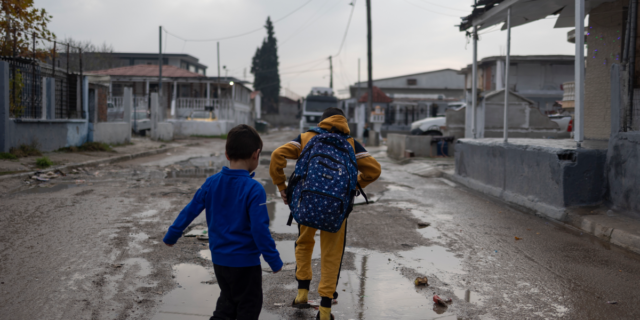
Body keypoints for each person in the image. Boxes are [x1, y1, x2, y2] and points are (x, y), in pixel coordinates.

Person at [269, 108, 381, 320]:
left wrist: (282, 186)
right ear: (344, 122)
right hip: (336, 208)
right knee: (332, 253)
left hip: (308, 200)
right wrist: (352, 187)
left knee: (304, 241)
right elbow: (374, 170)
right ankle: (325, 310)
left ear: (322, 121)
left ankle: (302, 294)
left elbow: (277, 155)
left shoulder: (307, 137)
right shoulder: (351, 143)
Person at [163, 124, 283, 320]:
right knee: (248, 308)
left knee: (227, 305)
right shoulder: (254, 189)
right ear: (256, 154)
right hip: (245, 264)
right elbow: (260, 231)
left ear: (227, 154)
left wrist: (172, 234)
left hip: (219, 261)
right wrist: (274, 260)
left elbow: (190, 210)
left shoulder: (211, 182)